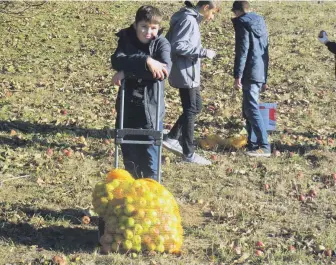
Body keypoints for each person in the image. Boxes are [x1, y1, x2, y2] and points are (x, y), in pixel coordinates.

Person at [111, 5, 172, 180]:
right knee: (129, 154)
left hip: (151, 108)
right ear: (136, 25)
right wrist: (146, 60)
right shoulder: (126, 39)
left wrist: (127, 72)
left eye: (153, 28)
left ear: (158, 28)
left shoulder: (161, 43)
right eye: (144, 27)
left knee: (149, 155)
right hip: (127, 106)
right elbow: (117, 60)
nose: (148, 32)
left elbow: (163, 72)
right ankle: (133, 191)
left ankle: (152, 191)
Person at [163, 1, 218, 165]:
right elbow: (178, 46)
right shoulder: (188, 20)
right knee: (191, 109)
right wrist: (203, 52)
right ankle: (188, 152)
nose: (212, 17)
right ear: (206, 7)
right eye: (213, 13)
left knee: (196, 106)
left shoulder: (191, 18)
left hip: (189, 71)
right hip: (185, 72)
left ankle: (172, 137)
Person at [231, 1, 271, 157]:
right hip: (259, 70)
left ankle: (264, 145)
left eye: (234, 13)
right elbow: (265, 51)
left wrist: (237, 75)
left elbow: (242, 50)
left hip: (249, 71)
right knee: (248, 108)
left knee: (252, 108)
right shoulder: (260, 22)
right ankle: (253, 143)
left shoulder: (243, 23)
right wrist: (264, 77)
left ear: (238, 11)